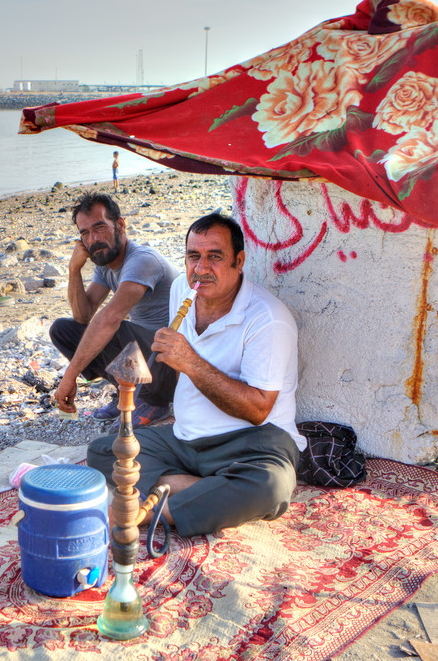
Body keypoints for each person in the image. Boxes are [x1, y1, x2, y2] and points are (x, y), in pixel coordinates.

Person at [87, 212, 301, 537]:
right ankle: (205, 491)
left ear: (239, 261)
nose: (200, 269)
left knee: (271, 487)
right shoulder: (180, 290)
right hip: (185, 438)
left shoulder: (268, 319)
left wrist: (190, 362)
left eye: (215, 257)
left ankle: (143, 511)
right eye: (193, 257)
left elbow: (258, 410)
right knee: (104, 450)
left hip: (252, 443)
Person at [52, 192, 178, 426]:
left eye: (99, 228)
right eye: (85, 233)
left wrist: (69, 376)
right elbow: (82, 315)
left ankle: (154, 401)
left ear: (120, 224)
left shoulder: (142, 260)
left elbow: (109, 319)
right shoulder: (106, 264)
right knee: (63, 330)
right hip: (147, 357)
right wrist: (73, 270)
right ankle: (126, 390)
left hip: (173, 364)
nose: (93, 240)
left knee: (112, 325)